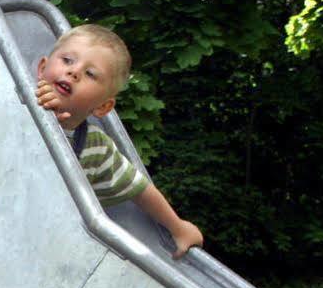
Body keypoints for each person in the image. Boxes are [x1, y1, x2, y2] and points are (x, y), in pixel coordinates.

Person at [35, 24, 203, 259]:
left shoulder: (96, 148)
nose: (74, 72)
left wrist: (178, 227)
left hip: (39, 242)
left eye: (91, 74)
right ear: (42, 68)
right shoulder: (12, 99)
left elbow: (140, 189)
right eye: (67, 60)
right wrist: (34, 110)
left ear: (103, 107)